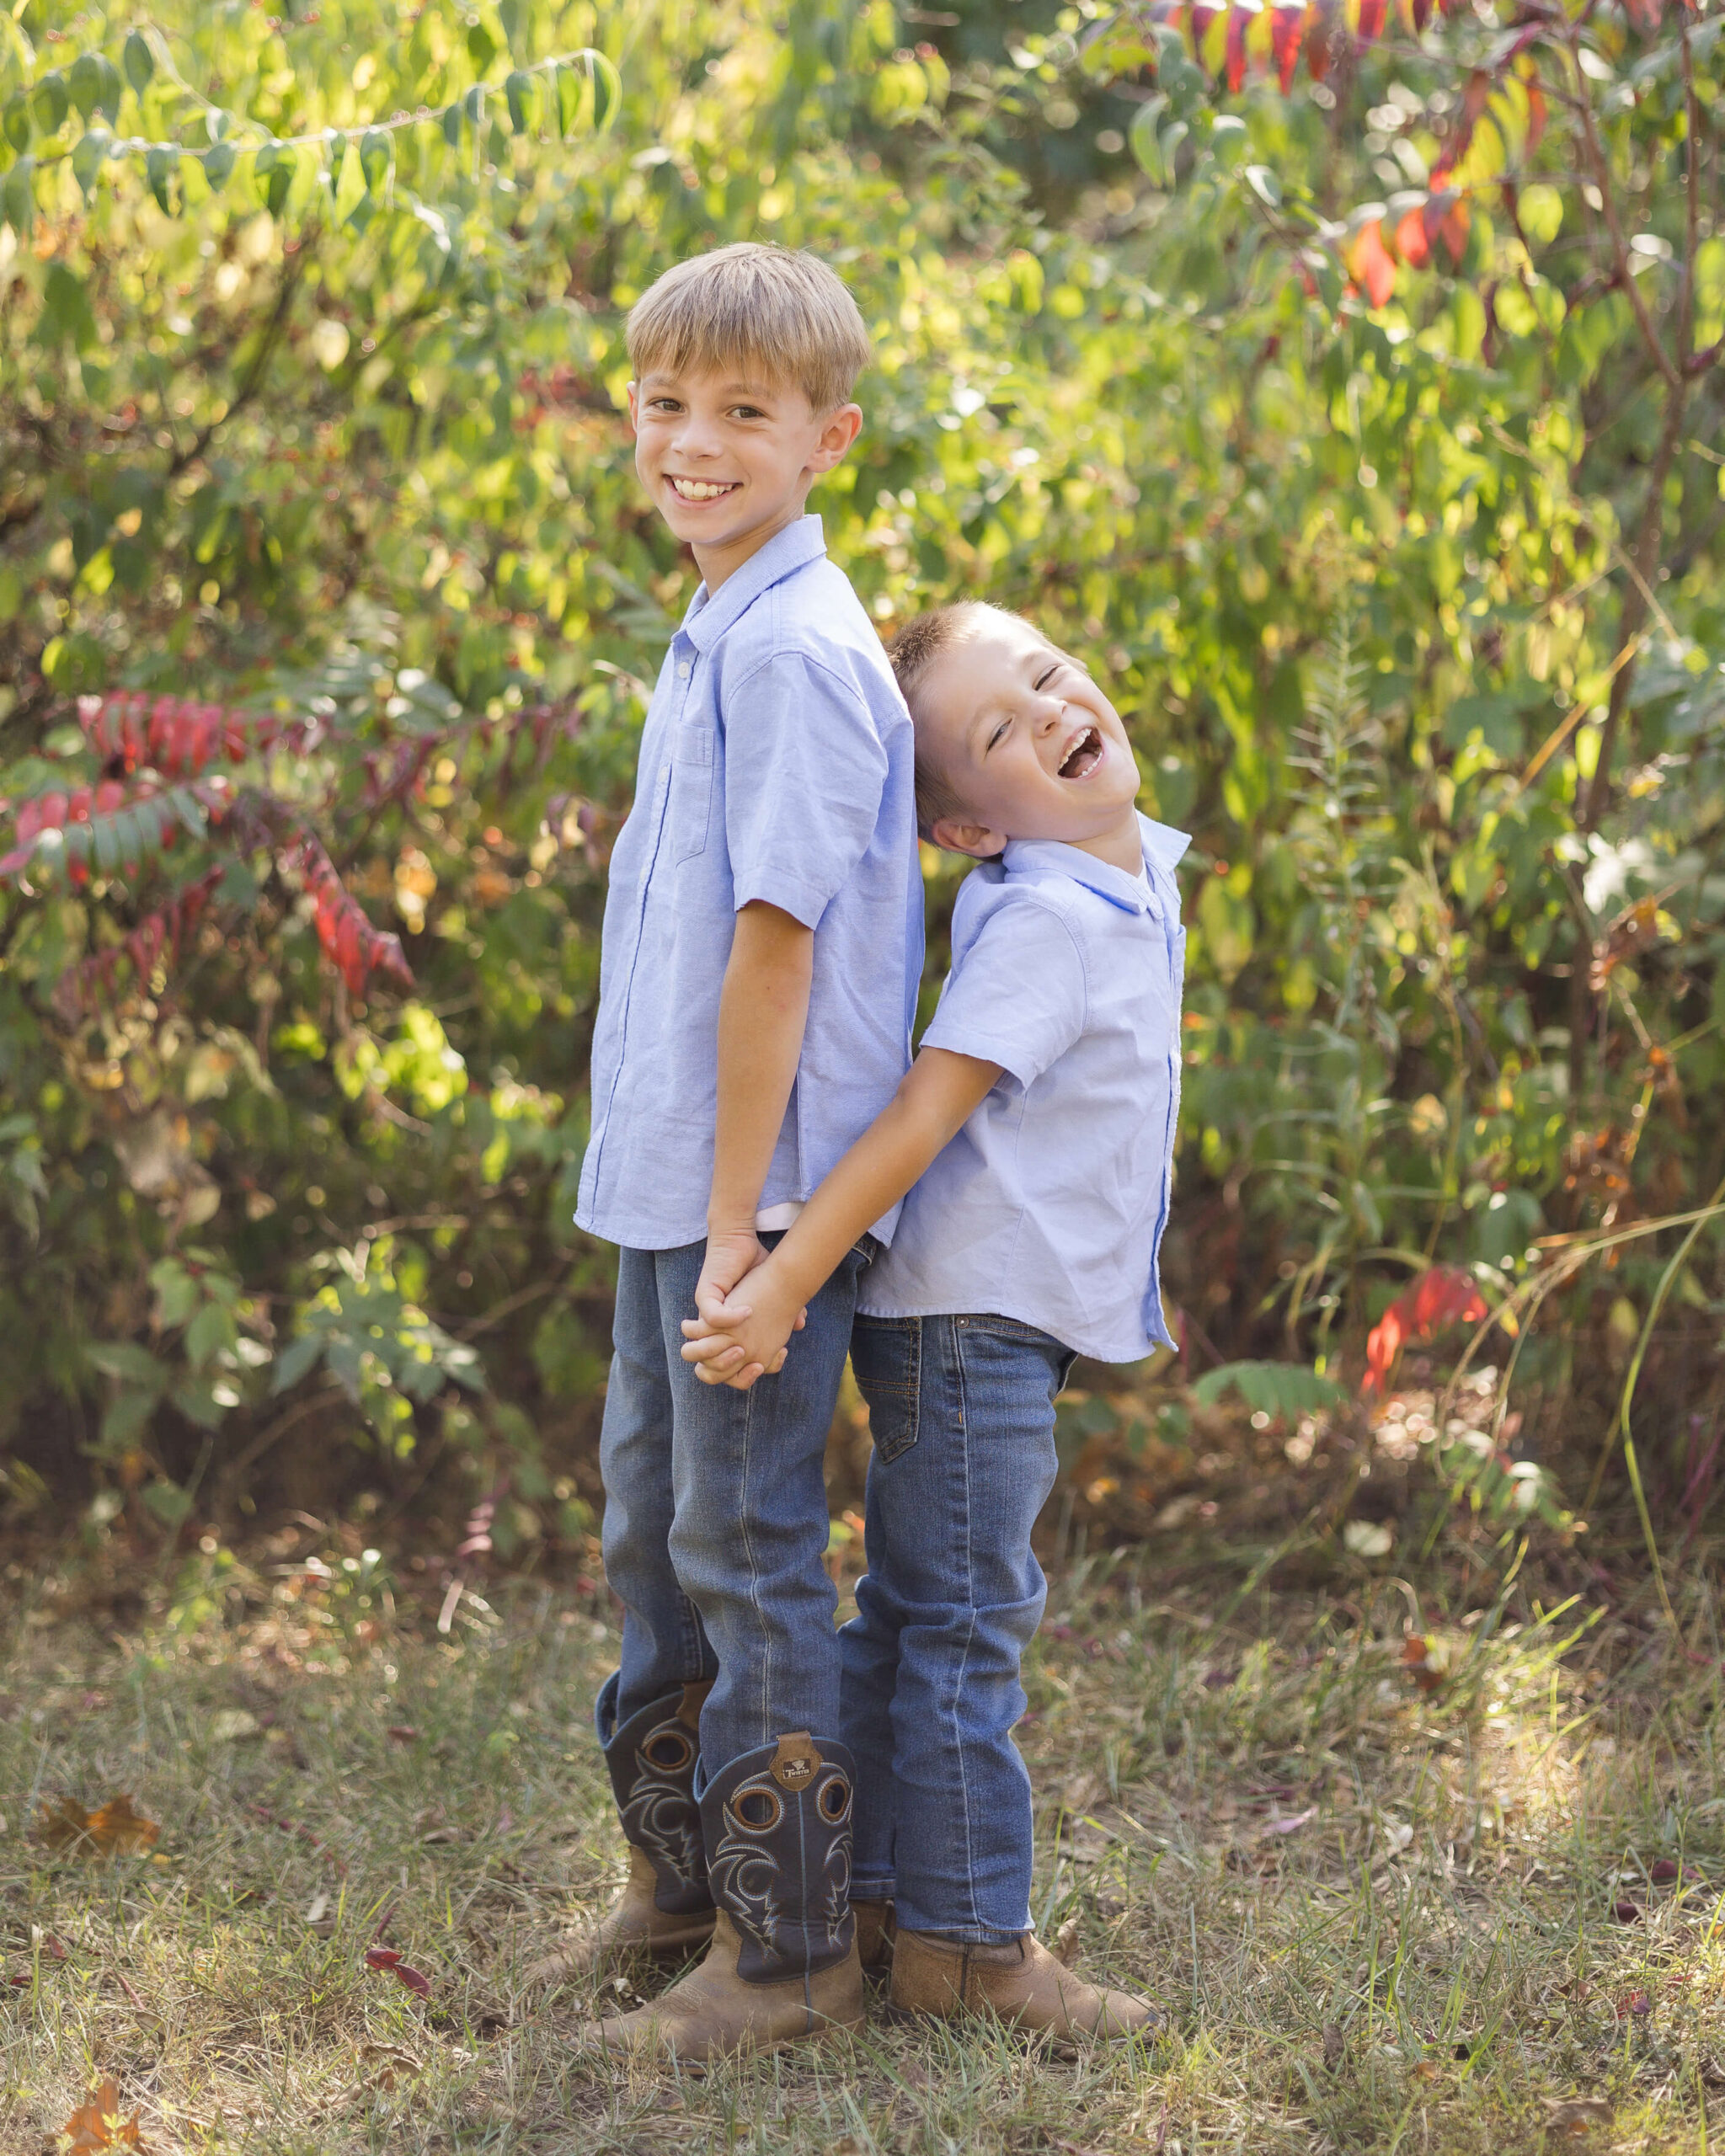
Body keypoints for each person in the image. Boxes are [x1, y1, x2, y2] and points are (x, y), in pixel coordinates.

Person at [683, 601, 1185, 2043]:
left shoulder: (1125, 876)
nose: (1047, 712)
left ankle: (871, 1897)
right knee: (966, 1625)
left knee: (918, 1614)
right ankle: (970, 1939)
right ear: (970, 831)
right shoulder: (1040, 920)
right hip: (967, 1325)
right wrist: (783, 1279)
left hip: (988, 1318)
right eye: (997, 733)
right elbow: (923, 1114)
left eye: (1046, 677)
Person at [558, 243, 922, 2060]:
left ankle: (787, 1957)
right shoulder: (716, 621)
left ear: (825, 438)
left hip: (751, 1195)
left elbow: (777, 945)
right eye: (663, 405)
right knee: (656, 1528)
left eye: (741, 414)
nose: (690, 443)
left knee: (752, 1539)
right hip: (673, 1180)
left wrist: (735, 1235)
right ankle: (682, 1884)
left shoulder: (792, 648)